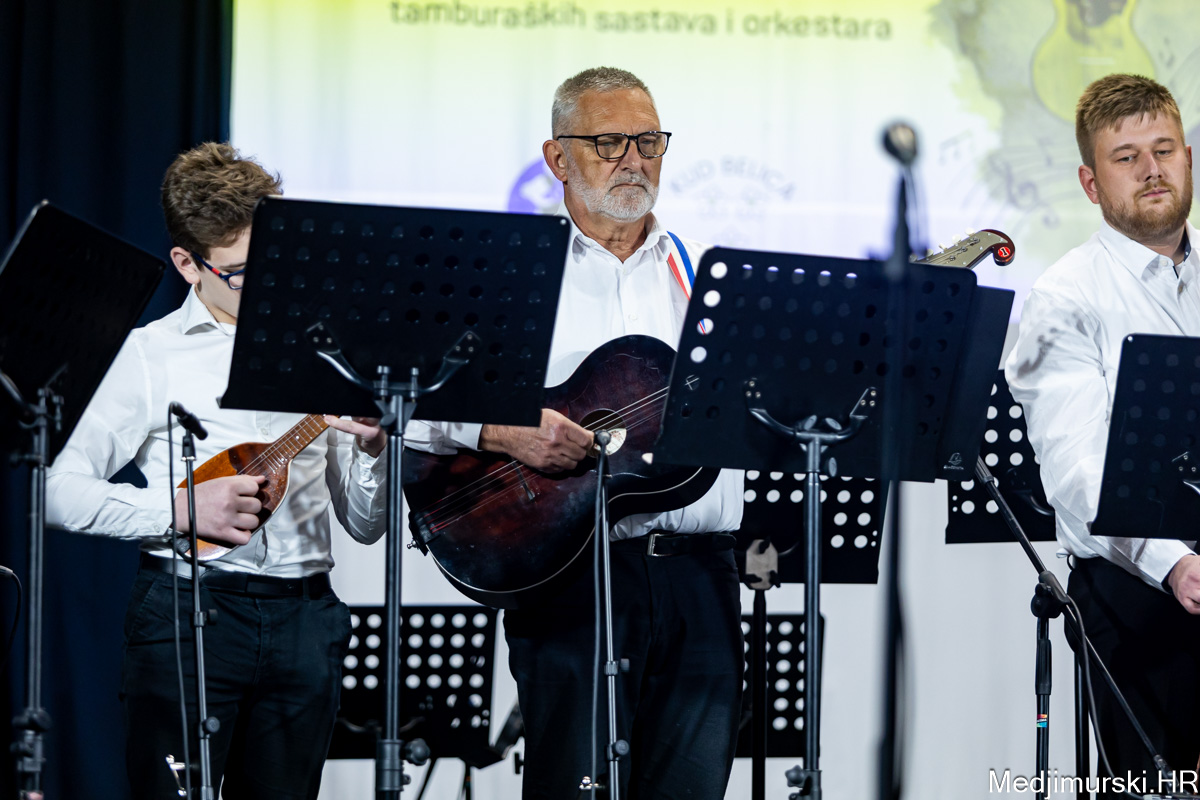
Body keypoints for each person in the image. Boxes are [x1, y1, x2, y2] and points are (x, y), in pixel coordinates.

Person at [405, 67, 745, 798]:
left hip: (701, 579)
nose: (634, 160)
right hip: (568, 580)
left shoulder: (709, 276)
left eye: (649, 141)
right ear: (557, 158)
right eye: (609, 142)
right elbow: (405, 401)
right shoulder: (510, 277)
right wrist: (504, 432)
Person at [46, 142, 388, 799]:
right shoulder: (149, 356)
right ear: (187, 264)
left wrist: (374, 447)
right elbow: (55, 492)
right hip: (185, 613)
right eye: (239, 272)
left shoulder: (329, 351)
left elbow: (366, 526)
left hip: (306, 618)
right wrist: (179, 511)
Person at [1006, 73, 1200, 794]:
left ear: (1187, 158)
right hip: (1141, 594)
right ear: (1091, 184)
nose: (1152, 169)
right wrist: (1176, 564)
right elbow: (1078, 473)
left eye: (1164, 150)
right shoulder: (1062, 298)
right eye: (1127, 157)